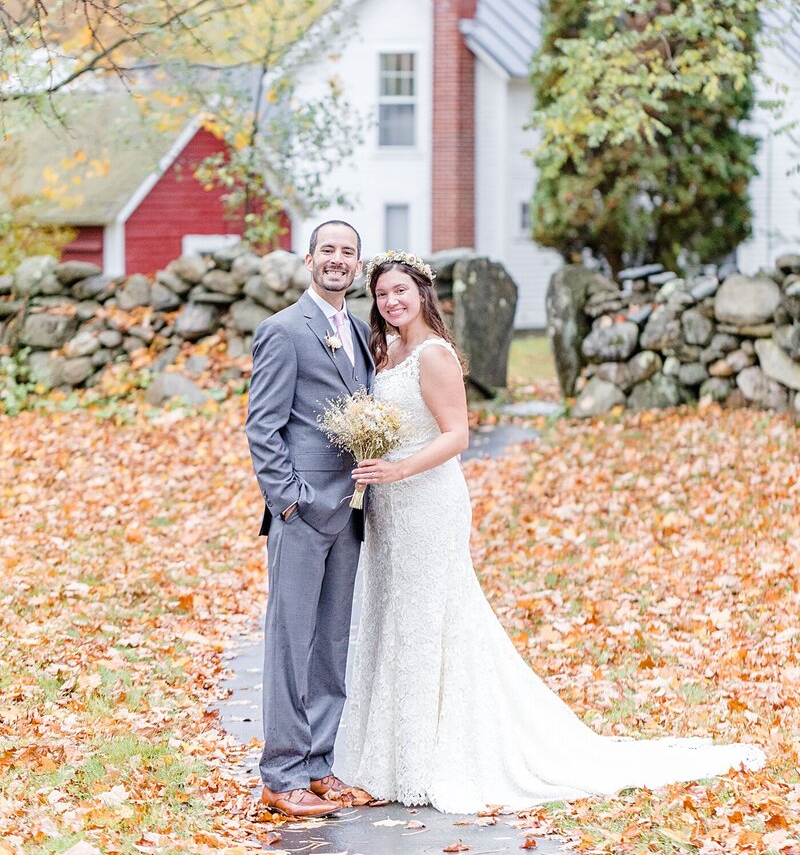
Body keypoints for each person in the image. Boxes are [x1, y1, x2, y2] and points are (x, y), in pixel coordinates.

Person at [343, 251, 765, 813]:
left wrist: (396, 468)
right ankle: (388, 756)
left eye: (401, 291)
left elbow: (457, 436)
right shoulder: (386, 350)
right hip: (388, 506)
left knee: (429, 619)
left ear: (423, 294)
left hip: (427, 501)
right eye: (382, 294)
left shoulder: (434, 354)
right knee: (391, 614)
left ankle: (427, 757)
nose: (391, 302)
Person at [246, 220, 375, 818]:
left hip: (349, 512)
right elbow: (263, 427)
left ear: (357, 265)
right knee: (290, 641)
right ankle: (280, 774)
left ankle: (318, 766)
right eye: (328, 250)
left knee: (331, 641)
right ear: (309, 258)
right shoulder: (282, 330)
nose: (337, 261)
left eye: (348, 253)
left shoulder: (358, 331)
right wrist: (289, 501)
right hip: (302, 513)